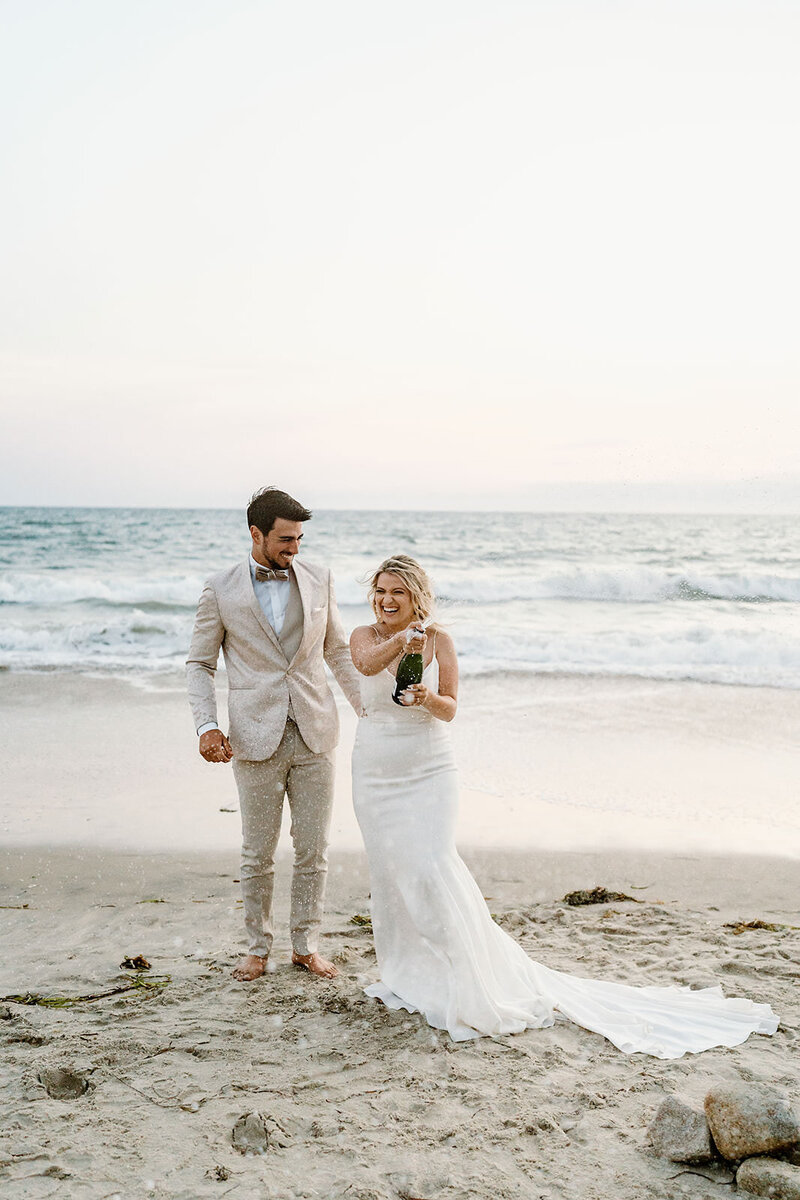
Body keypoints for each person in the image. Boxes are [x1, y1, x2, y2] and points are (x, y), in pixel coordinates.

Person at [349, 555, 779, 1057]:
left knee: (430, 865)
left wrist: (425, 698)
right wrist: (404, 639)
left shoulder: (440, 639)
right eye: (381, 590)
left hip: (428, 771)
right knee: (393, 873)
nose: (386, 599)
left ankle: (467, 975)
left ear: (416, 595)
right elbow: (365, 665)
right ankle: (411, 970)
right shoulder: (365, 635)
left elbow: (451, 708)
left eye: (397, 591)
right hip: (375, 773)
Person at [186, 487, 362, 982]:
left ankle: (305, 944)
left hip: (315, 731)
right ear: (256, 534)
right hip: (252, 735)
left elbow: (338, 652)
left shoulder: (319, 578)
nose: (295, 549)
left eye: (300, 538)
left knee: (313, 849)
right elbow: (199, 664)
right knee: (257, 852)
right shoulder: (220, 589)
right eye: (285, 540)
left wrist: (366, 709)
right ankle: (257, 947)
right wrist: (207, 726)